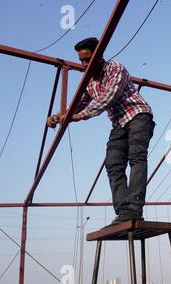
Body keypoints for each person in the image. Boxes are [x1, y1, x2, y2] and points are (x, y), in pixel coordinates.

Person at [47, 37, 155, 225]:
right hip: (119, 123)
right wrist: (58, 116)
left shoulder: (114, 68)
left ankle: (134, 208)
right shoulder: (89, 82)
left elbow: (109, 97)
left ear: (99, 56)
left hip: (138, 115)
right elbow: (78, 105)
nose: (84, 64)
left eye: (88, 59)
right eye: (81, 60)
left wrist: (80, 116)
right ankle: (124, 213)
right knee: (113, 164)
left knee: (136, 157)